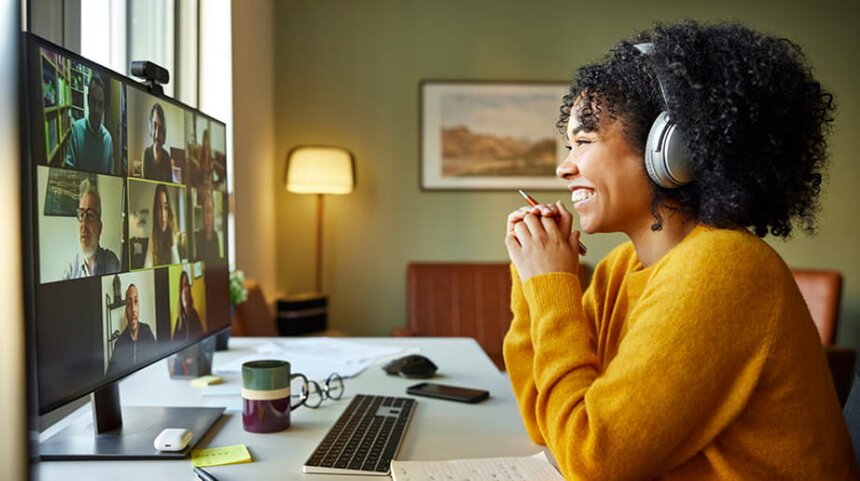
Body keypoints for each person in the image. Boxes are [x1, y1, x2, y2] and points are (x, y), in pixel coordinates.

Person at [502, 21, 858, 479]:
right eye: (569, 145)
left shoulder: (723, 266)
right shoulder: (621, 268)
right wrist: (534, 283)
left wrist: (552, 285)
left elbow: (593, 458)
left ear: (672, 151)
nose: (563, 166)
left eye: (584, 143)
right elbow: (545, 421)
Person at [63, 178, 120, 279]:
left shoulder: (111, 261)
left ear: (99, 228)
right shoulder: (71, 267)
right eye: (81, 215)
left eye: (90, 215)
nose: (84, 224)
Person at [64, 74, 114, 174]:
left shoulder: (108, 139)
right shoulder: (76, 130)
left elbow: (111, 174)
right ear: (87, 100)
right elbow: (69, 170)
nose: (96, 110)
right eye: (93, 101)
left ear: (104, 106)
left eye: (100, 104)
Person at [108, 284, 155, 374]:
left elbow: (157, 366)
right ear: (126, 310)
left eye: (136, 301)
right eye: (129, 304)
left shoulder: (147, 332)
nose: (133, 309)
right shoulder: (119, 344)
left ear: (139, 307)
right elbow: (110, 376)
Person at [143, 184, 180, 267]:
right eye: (159, 207)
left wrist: (173, 245)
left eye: (166, 207)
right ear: (155, 211)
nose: (162, 215)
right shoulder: (153, 236)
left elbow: (179, 271)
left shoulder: (176, 235)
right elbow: (147, 263)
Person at [142, 103, 173, 182]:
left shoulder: (166, 157)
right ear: (151, 128)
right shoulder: (146, 154)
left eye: (160, 128)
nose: (157, 134)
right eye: (155, 126)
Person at [173, 270, 204, 340]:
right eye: (182, 287)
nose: (185, 291)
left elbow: (202, 336)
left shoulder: (194, 314)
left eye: (186, 285)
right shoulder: (179, 321)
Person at [194, 187, 221, 263]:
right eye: (206, 211)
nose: (208, 217)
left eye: (210, 211)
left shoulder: (215, 236)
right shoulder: (199, 237)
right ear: (202, 214)